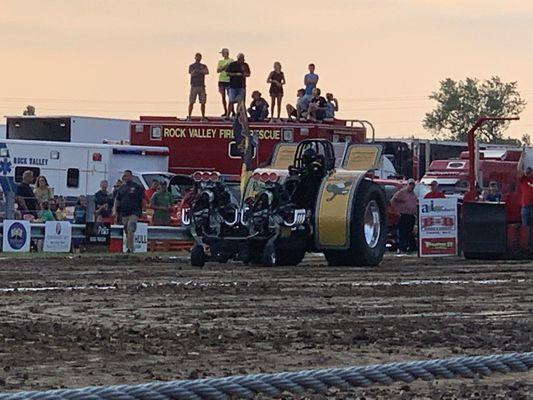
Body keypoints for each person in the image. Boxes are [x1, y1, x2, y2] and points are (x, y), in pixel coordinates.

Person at [113, 170, 145, 252]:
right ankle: (131, 247)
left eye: (127, 175)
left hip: (134, 212)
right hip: (124, 212)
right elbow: (117, 200)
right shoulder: (122, 188)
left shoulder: (137, 187)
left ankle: (129, 248)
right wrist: (115, 210)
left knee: (131, 226)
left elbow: (142, 200)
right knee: (127, 230)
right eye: (124, 176)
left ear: (131, 176)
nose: (125, 177)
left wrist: (143, 210)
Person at [391, 179, 418, 253]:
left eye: (413, 185)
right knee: (403, 232)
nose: (411, 186)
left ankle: (411, 247)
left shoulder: (414, 194)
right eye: (410, 184)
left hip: (411, 216)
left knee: (410, 232)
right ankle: (402, 248)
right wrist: (396, 211)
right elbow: (392, 201)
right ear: (407, 185)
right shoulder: (401, 193)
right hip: (403, 215)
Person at [226, 53, 251, 117]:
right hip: (232, 86)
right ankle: (228, 115)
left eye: (243, 58)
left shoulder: (245, 65)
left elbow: (248, 74)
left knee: (241, 102)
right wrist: (236, 74)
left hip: (241, 86)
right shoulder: (232, 64)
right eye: (241, 58)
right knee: (231, 101)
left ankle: (238, 115)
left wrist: (243, 73)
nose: (242, 60)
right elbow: (227, 73)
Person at [188, 52, 209, 120]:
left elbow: (206, 72)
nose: (198, 58)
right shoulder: (192, 66)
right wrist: (199, 71)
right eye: (197, 57)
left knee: (203, 102)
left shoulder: (203, 66)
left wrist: (198, 71)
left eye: (199, 57)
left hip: (201, 86)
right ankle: (189, 116)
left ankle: (203, 116)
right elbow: (192, 73)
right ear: (195, 57)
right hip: (194, 86)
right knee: (191, 102)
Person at [517, 150, 533, 226]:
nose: (528, 173)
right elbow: (519, 169)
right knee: (525, 225)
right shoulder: (524, 179)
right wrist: (521, 158)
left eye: (530, 172)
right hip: (525, 205)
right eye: (527, 172)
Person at [217, 48, 233, 117]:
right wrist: (224, 67)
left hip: (229, 80)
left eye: (223, 53)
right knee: (223, 97)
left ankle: (232, 111)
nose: (222, 54)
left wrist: (224, 68)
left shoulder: (231, 61)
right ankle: (225, 111)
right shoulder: (220, 61)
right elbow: (218, 70)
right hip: (221, 80)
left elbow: (231, 68)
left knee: (230, 97)